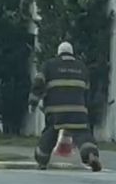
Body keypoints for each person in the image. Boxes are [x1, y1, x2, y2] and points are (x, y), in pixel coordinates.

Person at [29, 41, 102, 171]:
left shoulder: (49, 65)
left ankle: (42, 161)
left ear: (58, 53)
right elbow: (87, 91)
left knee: (50, 134)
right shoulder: (82, 67)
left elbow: (38, 83)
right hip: (78, 111)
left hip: (56, 111)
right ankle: (91, 155)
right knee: (83, 135)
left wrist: (33, 103)